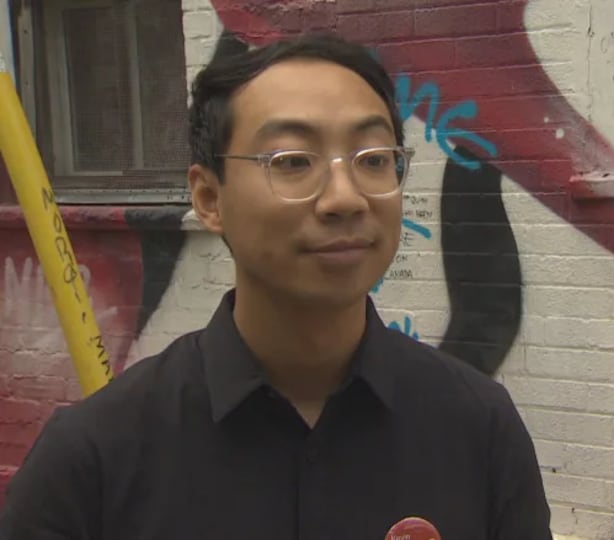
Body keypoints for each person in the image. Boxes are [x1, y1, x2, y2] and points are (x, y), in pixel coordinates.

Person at [0, 32, 552, 539]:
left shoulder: (478, 429)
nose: (344, 197)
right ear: (210, 198)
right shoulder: (93, 459)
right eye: (292, 161)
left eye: (374, 158)